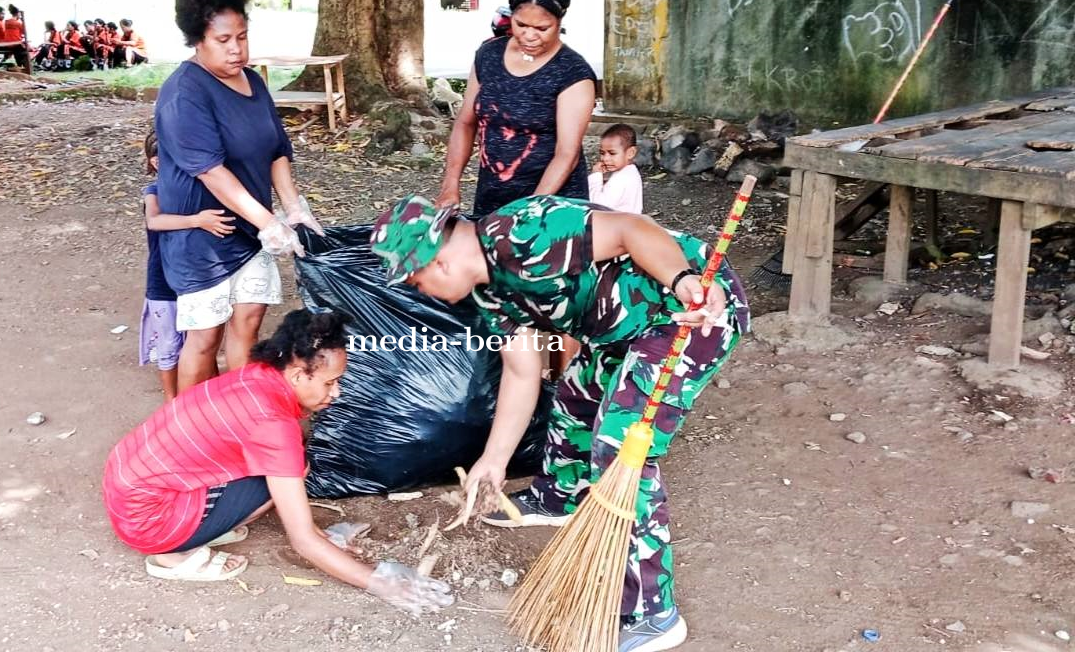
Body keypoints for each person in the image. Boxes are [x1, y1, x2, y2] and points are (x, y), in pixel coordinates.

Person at [370, 194, 750, 651]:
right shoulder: (489, 291)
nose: (418, 289)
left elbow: (632, 228)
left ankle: (654, 610)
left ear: (439, 262)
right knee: (575, 396)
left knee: (620, 442)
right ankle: (559, 497)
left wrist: (685, 279)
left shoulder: (526, 231)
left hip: (686, 311)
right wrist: (493, 461)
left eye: (415, 279)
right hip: (620, 330)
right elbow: (522, 370)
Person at [102, 310, 454, 614]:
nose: (337, 393)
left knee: (289, 466)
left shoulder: (257, 374)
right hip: (149, 521)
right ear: (299, 375)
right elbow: (300, 540)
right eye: (331, 382)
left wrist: (319, 534)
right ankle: (176, 555)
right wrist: (380, 582)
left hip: (129, 485)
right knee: (292, 469)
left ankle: (204, 524)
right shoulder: (274, 424)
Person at [155, 0, 324, 391]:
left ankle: (241, 413)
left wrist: (293, 207)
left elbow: (276, 150)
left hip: (249, 230)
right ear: (198, 40)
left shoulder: (254, 82)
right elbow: (212, 172)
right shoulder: (184, 94)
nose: (236, 48)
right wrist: (269, 223)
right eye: (224, 39)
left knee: (248, 322)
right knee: (204, 337)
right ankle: (192, 430)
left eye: (243, 37)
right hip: (203, 236)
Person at [434, 0, 596, 217]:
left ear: (560, 19)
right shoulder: (488, 56)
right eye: (521, 25)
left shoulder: (572, 73)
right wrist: (450, 185)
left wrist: (529, 212)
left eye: (542, 28)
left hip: (553, 206)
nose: (529, 36)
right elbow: (465, 122)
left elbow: (567, 154)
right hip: (492, 197)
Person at [138, 131, 235, 402]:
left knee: (204, 338)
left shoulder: (198, 187)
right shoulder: (154, 191)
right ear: (157, 163)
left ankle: (209, 393)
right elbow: (154, 221)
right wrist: (197, 220)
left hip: (197, 278)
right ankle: (173, 402)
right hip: (164, 284)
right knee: (170, 345)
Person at [589, 123, 644, 215]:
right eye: (602, 153)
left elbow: (598, 205)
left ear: (631, 153)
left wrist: (595, 176)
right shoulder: (630, 173)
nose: (605, 159)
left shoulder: (622, 178)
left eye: (612, 153)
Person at [2, 4, 29, 69]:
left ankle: (19, 65)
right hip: (15, 44)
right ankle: (23, 66)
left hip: (7, 44)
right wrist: (22, 20)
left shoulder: (6, 22)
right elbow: (24, 32)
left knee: (20, 48)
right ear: (17, 14)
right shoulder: (18, 23)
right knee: (23, 49)